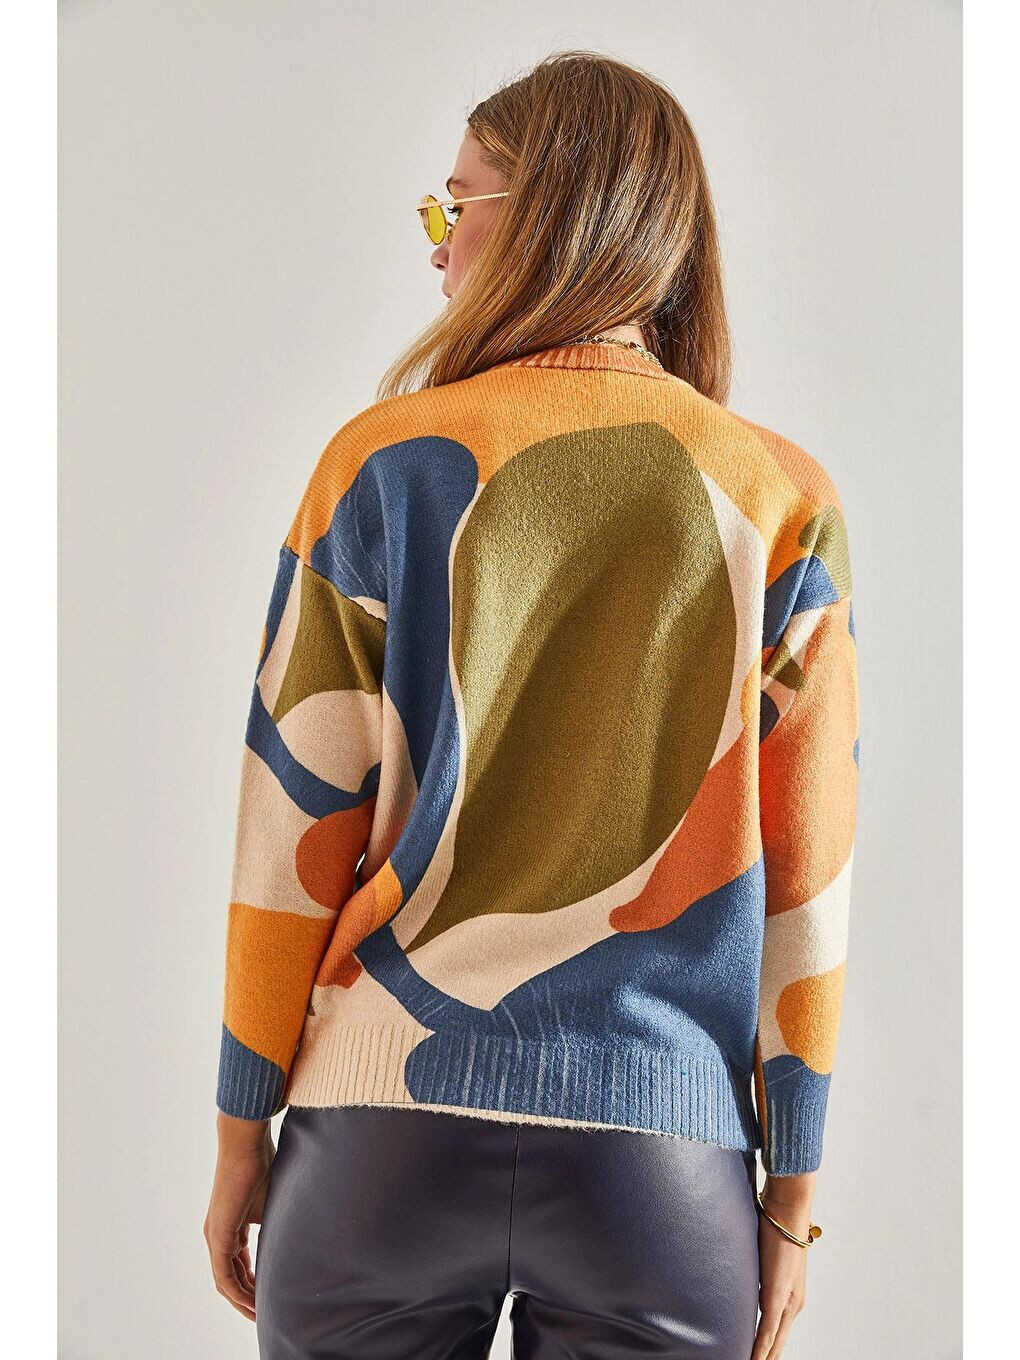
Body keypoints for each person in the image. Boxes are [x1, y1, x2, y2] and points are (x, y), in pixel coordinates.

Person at [203, 49, 860, 1360]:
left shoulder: (383, 465)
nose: (438, 248)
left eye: (455, 206)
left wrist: (240, 1134)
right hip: (660, 1166)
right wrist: (791, 1198)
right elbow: (807, 876)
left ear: (550, 215)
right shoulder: (780, 499)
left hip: (377, 1144)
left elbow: (290, 838)